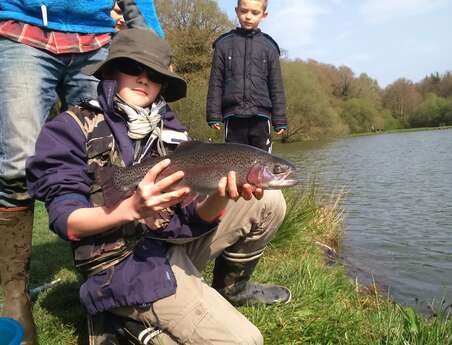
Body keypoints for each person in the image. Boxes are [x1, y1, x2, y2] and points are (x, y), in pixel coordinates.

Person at [26, 28, 288, 344]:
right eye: (133, 68)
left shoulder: (171, 128)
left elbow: (192, 219)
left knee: (269, 203)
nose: (144, 79)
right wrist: (129, 210)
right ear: (111, 71)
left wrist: (219, 195)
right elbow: (64, 221)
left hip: (167, 242)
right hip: (120, 266)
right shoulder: (69, 128)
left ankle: (229, 289)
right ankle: (118, 323)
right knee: (246, 341)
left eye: (154, 74)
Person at [0, 1, 163, 344]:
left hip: (95, 38)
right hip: (22, 30)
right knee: (16, 166)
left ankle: (109, 284)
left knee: (112, 161)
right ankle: (14, 294)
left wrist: (154, 46)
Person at [206, 0, 287, 153]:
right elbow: (216, 82)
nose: (248, 16)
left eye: (255, 12)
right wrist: (213, 114)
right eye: (244, 11)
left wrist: (280, 119)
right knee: (233, 160)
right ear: (237, 11)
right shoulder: (223, 45)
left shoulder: (270, 47)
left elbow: (276, 86)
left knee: (263, 162)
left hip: (261, 117)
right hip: (233, 115)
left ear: (264, 15)